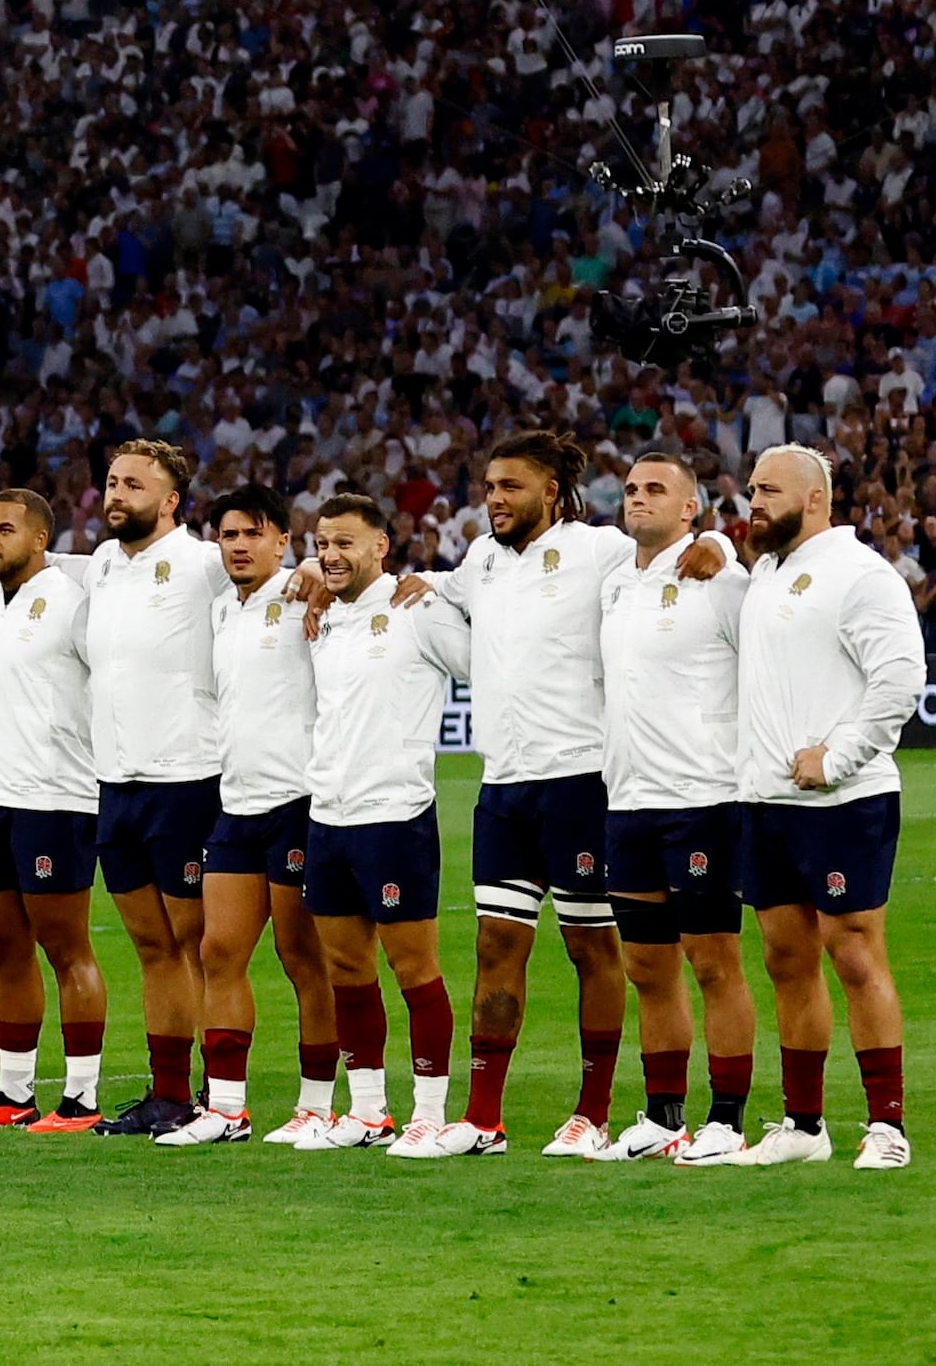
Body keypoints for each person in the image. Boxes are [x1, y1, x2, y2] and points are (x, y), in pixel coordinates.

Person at [729, 442, 924, 1169]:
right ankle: (805, 1127)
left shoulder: (860, 574)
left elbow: (900, 680)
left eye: (769, 490)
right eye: (751, 488)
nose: (754, 501)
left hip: (844, 801)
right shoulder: (763, 576)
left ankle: (888, 1126)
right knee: (786, 958)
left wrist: (836, 758)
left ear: (815, 498)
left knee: (855, 954)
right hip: (767, 801)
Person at [438, 429, 631, 1155]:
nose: (495, 500)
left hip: (580, 779)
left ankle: (594, 1111)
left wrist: (721, 551)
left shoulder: (598, 550)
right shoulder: (481, 560)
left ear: (551, 491)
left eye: (510, 487)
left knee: (590, 949)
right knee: (495, 944)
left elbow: (674, 556)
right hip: (504, 786)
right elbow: (426, 591)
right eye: (489, 488)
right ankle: (483, 1117)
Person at [297, 491, 474, 1153]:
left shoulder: (416, 609)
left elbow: (485, 658)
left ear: (381, 547)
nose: (331, 556)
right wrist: (309, 583)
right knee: (345, 967)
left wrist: (449, 589)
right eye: (322, 544)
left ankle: (429, 1110)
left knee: (415, 969)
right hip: (328, 815)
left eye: (345, 543)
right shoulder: (324, 617)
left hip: (396, 815)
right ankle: (368, 1109)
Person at [591, 456, 750, 1160]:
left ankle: (729, 1119)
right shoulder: (616, 585)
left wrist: (729, 544)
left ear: (691, 509)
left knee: (714, 964)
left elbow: (768, 650)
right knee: (647, 970)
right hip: (627, 802)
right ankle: (662, 1116)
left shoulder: (722, 578)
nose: (638, 499)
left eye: (656, 489)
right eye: (630, 489)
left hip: (702, 801)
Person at [177, 492, 340, 1145]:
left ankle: (318, 1104)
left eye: (253, 533)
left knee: (303, 953)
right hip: (235, 801)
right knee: (219, 952)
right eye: (228, 534)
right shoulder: (219, 609)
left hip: (298, 800)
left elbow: (361, 588)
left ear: (282, 541)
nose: (239, 545)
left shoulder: (310, 596)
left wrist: (313, 572)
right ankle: (226, 1107)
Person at [83, 435, 234, 1135]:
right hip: (116, 781)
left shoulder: (206, 563)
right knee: (151, 947)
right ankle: (169, 1094)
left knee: (199, 944)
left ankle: (218, 1095)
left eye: (134, 486)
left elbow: (279, 575)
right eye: (112, 483)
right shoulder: (103, 566)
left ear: (171, 501)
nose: (117, 496)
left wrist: (310, 581)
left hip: (186, 778)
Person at [0, 483, 106, 1129]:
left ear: (41, 539)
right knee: (3, 946)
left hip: (54, 798)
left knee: (65, 947)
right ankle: (14, 1095)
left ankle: (81, 1097)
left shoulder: (74, 600)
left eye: (4, 530)